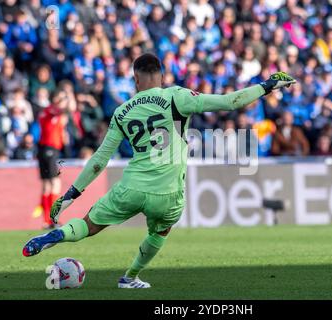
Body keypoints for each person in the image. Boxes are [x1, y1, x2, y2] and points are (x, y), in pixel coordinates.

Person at [22, 53, 296, 288]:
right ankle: (130, 277)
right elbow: (231, 102)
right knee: (160, 232)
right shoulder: (177, 96)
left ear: (136, 79)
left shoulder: (122, 111)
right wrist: (267, 85)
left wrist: (70, 195)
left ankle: (58, 234)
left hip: (130, 186)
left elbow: (99, 160)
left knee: (89, 225)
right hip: (168, 192)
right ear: (162, 77)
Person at [37, 89, 69, 229]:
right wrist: (66, 99)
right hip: (50, 149)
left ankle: (47, 221)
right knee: (55, 183)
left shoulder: (48, 111)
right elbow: (62, 110)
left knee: (46, 185)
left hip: (45, 149)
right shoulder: (50, 110)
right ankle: (52, 219)